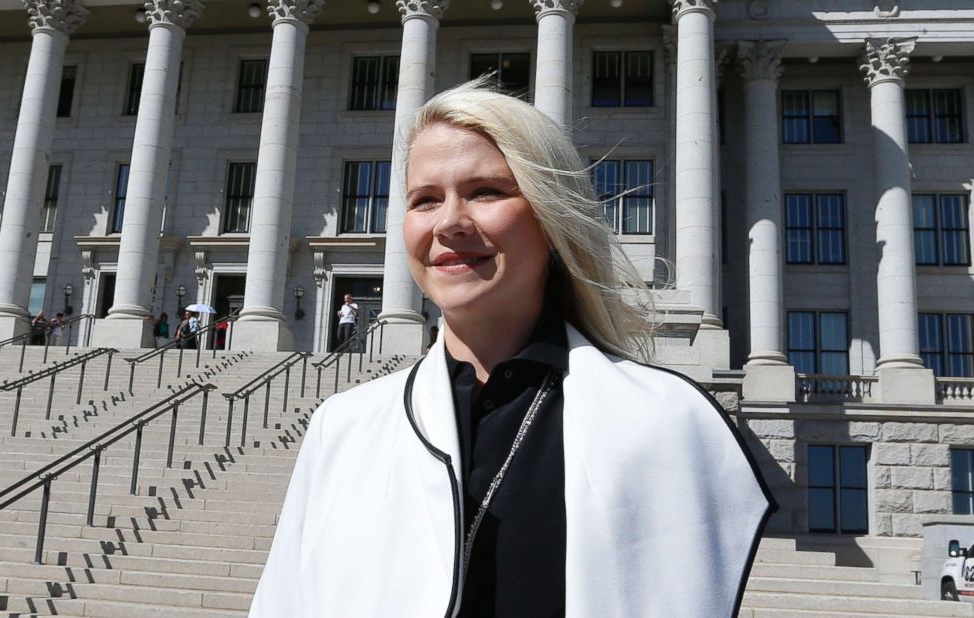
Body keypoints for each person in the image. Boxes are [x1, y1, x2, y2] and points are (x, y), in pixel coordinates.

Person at [250, 81, 775, 617]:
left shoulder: (664, 420)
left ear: (551, 219)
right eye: (424, 199)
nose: (449, 222)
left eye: (486, 192)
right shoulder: (342, 427)